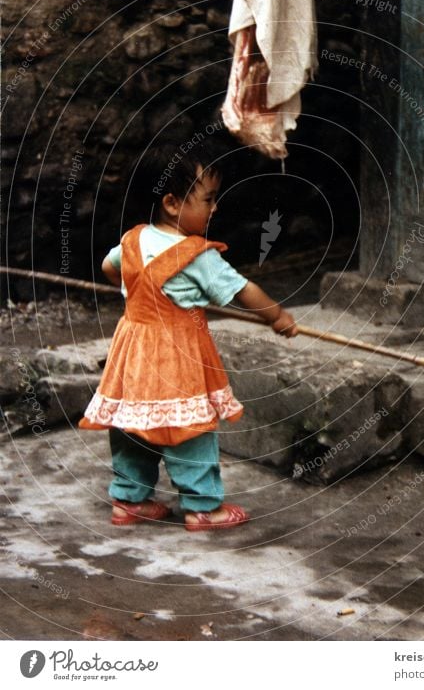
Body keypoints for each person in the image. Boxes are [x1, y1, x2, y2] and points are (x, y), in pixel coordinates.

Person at [79, 139, 297, 530]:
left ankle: (129, 502)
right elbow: (244, 291)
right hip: (176, 356)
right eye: (209, 199)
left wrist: (135, 290)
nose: (215, 208)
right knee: (189, 429)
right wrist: (277, 316)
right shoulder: (197, 255)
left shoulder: (133, 240)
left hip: (132, 350)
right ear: (173, 203)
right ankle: (202, 508)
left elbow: (109, 267)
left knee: (134, 425)